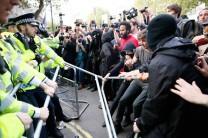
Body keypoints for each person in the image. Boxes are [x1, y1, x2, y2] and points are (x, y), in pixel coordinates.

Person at [133, 14, 208, 138]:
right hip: (195, 119)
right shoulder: (187, 48)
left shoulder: (162, 61)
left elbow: (155, 102)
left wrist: (141, 123)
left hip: (176, 124)